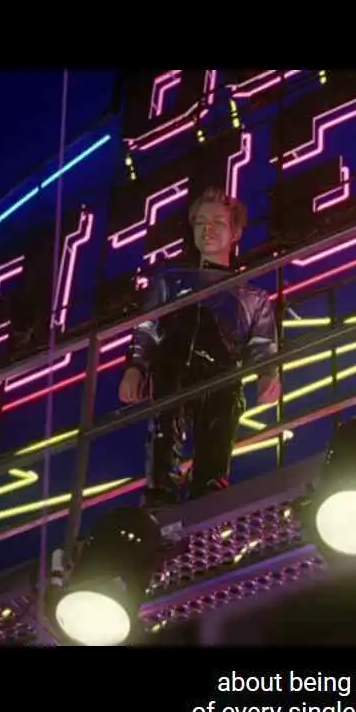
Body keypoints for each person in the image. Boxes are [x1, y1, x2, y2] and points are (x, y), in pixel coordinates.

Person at [119, 188, 281, 507]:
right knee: (166, 420)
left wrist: (268, 373)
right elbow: (146, 327)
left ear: (235, 233)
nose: (208, 229)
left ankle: (209, 487)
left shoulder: (251, 296)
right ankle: (161, 491)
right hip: (172, 368)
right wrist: (134, 367)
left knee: (220, 420)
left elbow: (263, 344)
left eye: (218, 222)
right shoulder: (170, 280)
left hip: (221, 376)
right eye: (201, 222)